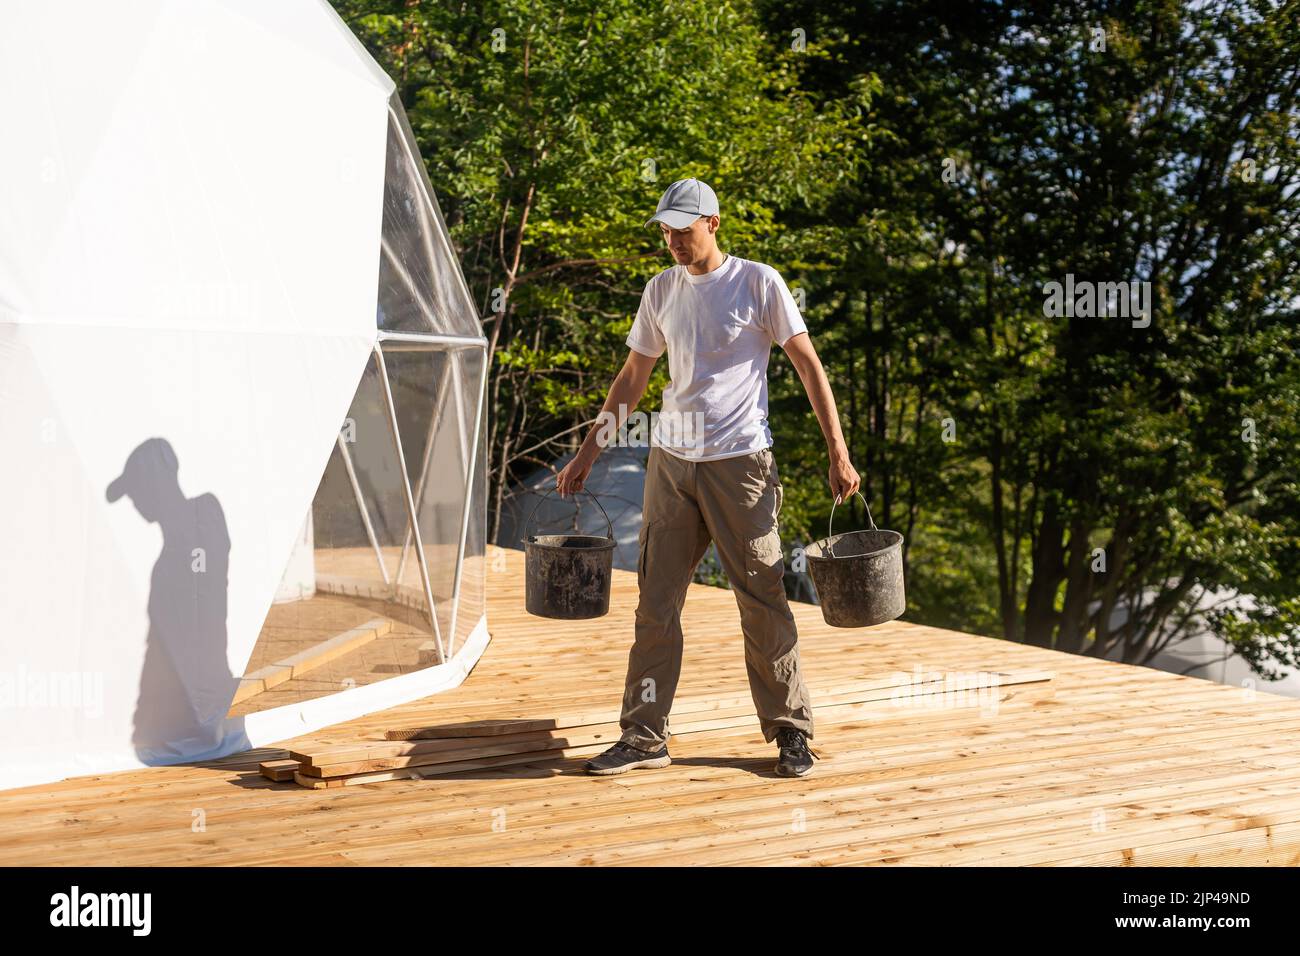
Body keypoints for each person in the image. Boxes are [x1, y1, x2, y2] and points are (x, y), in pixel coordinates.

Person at [556, 178, 860, 778]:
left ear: (713, 223)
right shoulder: (661, 289)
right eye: (665, 229)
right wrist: (589, 450)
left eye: (682, 228)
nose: (671, 240)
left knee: (762, 597)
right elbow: (633, 377)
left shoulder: (758, 283)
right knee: (655, 603)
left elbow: (808, 366)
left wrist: (838, 452)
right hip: (671, 465)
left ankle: (790, 730)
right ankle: (643, 736)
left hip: (741, 464)